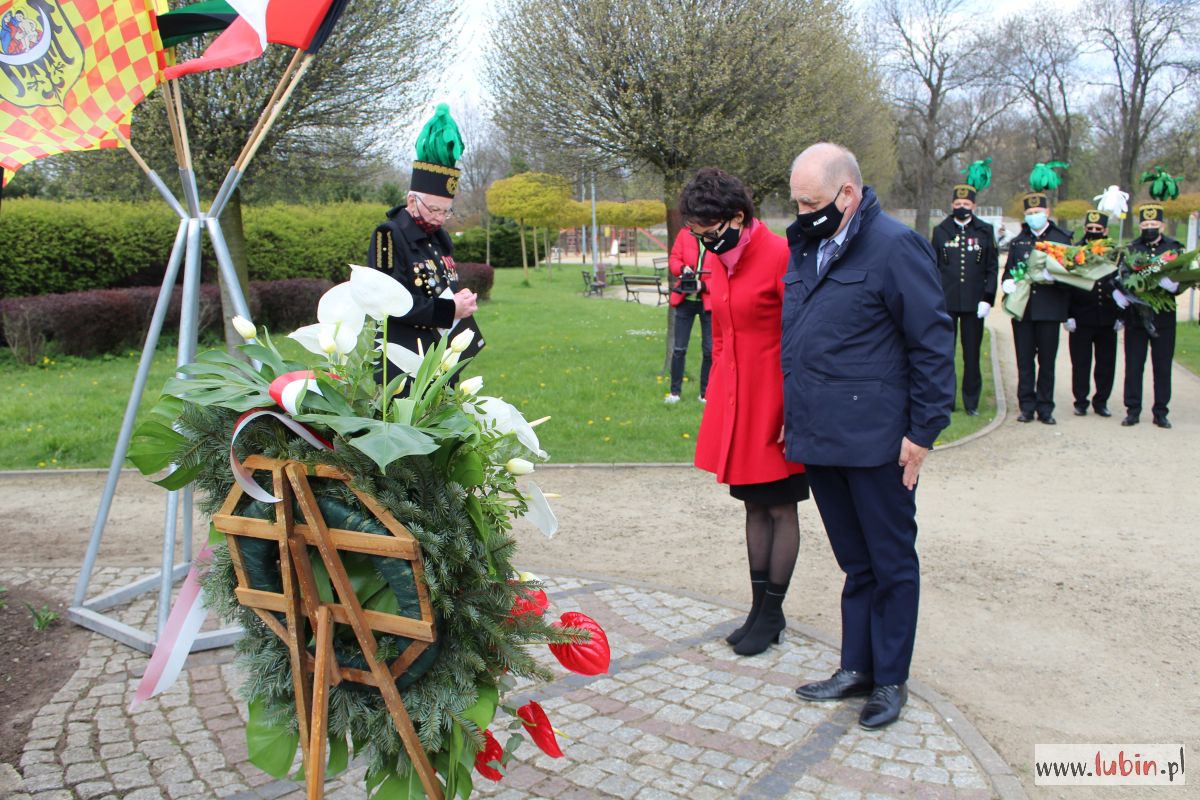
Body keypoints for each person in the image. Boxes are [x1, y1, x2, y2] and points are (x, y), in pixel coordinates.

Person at [782, 143, 954, 730]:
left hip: (878, 439)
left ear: (848, 194)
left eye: (812, 202)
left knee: (890, 562)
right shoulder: (809, 245)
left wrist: (923, 431)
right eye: (797, 203)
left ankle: (890, 679)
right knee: (856, 564)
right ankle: (856, 666)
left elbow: (931, 341)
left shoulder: (894, 247)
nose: (802, 212)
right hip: (821, 434)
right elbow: (803, 336)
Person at [684, 167, 809, 657]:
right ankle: (759, 608)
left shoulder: (780, 254)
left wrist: (790, 409)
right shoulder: (717, 260)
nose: (705, 243)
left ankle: (774, 613)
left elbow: (800, 338)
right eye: (697, 235)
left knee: (781, 505)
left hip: (776, 398)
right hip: (736, 399)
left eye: (710, 233)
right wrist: (717, 397)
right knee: (753, 504)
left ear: (738, 217)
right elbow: (718, 333)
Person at [368, 105, 477, 383]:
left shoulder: (439, 239)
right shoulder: (388, 236)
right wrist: (450, 310)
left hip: (440, 353)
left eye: (446, 211)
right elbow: (388, 303)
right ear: (411, 201)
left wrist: (460, 301)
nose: (440, 219)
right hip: (402, 361)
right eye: (434, 210)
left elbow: (441, 288)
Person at [1002, 178, 1073, 424]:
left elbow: (1072, 277)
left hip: (1049, 309)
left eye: (1038, 212)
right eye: (1030, 213)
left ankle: (1045, 408)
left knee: (1047, 362)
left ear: (1047, 212)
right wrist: (1007, 284)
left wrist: (1055, 277)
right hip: (1024, 310)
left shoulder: (1061, 239)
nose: (1034, 216)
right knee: (1024, 362)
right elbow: (1010, 271)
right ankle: (1026, 406)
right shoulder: (1018, 241)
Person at [931, 174, 998, 416]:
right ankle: (947, 402)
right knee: (945, 355)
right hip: (946, 303)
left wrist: (987, 298)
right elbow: (934, 267)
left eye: (966, 205)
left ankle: (972, 403)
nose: (961, 208)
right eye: (958, 204)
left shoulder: (984, 231)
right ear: (952, 205)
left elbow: (991, 267)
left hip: (974, 303)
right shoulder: (941, 231)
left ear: (974, 206)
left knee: (972, 356)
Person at [1121, 203, 1184, 428]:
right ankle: (1133, 410)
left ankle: (1161, 411)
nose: (1149, 227)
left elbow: (1184, 277)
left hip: (1163, 315)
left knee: (1162, 365)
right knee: (1134, 365)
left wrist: (1175, 286)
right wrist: (1123, 294)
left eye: (1153, 224)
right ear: (1140, 226)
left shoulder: (1174, 248)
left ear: (1162, 225)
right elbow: (1123, 276)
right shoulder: (1131, 248)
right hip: (1137, 316)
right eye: (1145, 224)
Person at [1065, 209, 1119, 417]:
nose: (1094, 232)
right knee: (1080, 362)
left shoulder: (1115, 253)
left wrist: (1121, 316)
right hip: (1081, 316)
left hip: (1107, 316)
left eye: (1098, 229)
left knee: (1106, 363)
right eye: (1090, 229)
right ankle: (1080, 400)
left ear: (1105, 230)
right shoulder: (1075, 251)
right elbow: (1067, 284)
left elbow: (1122, 284)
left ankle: (1101, 401)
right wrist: (1067, 314)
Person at [665, 227, 713, 403]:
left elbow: (725, 274)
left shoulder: (719, 235)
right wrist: (682, 268)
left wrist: (705, 286)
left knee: (709, 350)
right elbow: (674, 259)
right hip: (685, 300)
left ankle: (705, 394)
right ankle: (675, 393)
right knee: (679, 349)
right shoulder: (685, 233)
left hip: (709, 302)